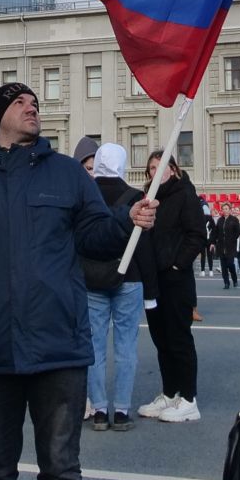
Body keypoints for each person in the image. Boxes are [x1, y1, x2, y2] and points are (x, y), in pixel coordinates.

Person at [0, 82, 156, 480]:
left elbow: (96, 237)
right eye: (20, 103)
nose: (32, 108)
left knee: (61, 472)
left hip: (60, 350)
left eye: (35, 103)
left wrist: (126, 220)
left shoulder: (69, 174)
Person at [79, 143, 155, 431]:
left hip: (91, 278)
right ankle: (121, 410)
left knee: (94, 346)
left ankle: (99, 409)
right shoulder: (136, 197)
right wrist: (152, 292)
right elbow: (145, 248)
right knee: (126, 347)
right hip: (130, 277)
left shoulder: (85, 193)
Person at [137, 150, 205, 423]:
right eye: (152, 168)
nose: (156, 171)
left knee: (179, 340)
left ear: (173, 170)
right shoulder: (148, 201)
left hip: (176, 281)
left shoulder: (185, 194)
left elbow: (197, 234)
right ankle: (169, 393)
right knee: (161, 341)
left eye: (161, 166)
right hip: (154, 283)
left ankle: (188, 399)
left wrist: (178, 265)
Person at [216, 205, 240, 290]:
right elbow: (216, 232)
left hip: (230, 246)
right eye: (223, 209)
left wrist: (232, 239)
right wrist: (213, 242)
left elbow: (238, 231)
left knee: (230, 264)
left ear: (230, 210)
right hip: (221, 246)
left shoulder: (234, 220)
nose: (225, 210)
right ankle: (226, 282)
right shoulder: (220, 220)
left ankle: (235, 279)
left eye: (226, 209)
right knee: (223, 267)